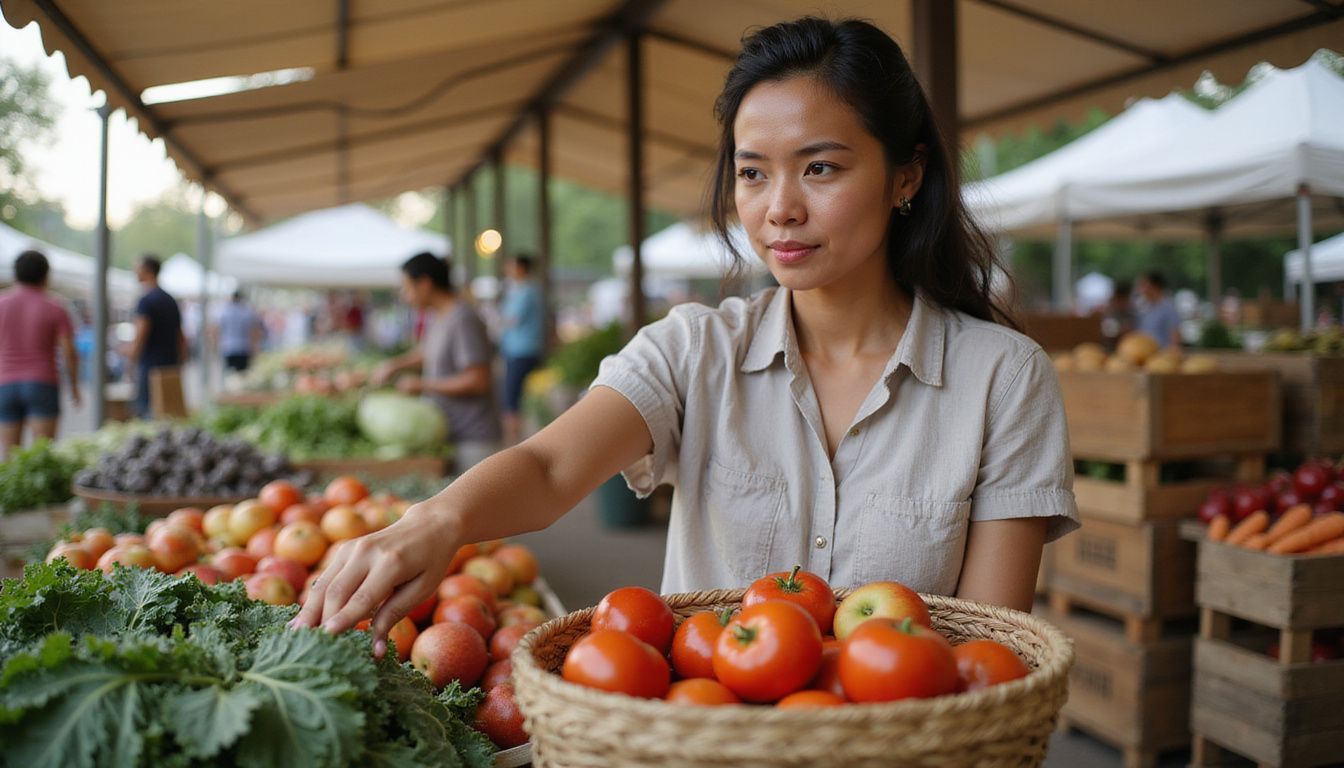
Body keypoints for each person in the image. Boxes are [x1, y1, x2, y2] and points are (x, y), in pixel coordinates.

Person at [296, 18, 1079, 657]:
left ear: (906, 177)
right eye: (752, 173)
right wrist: (435, 519)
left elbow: (987, 656)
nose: (780, 209)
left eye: (820, 169)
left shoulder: (1002, 379)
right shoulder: (693, 352)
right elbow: (547, 464)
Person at [372, 253, 500, 474]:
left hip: (472, 440)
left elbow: (478, 380)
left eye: (407, 288)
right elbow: (428, 353)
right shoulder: (438, 316)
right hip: (450, 434)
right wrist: (394, 365)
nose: (405, 296)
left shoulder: (462, 318)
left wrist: (422, 385)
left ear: (425, 284)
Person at [0, 251, 81, 459]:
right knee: (42, 456)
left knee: (10, 458)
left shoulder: (2, 304)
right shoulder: (55, 307)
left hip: (5, 384)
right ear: (46, 276)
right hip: (42, 383)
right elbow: (69, 352)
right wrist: (74, 387)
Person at [129, 255, 185, 419]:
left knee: (146, 410)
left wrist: (132, 358)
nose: (135, 272)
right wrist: (180, 359)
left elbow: (141, 334)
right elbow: (180, 334)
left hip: (150, 364)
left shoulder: (146, 301)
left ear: (148, 271)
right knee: (169, 411)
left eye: (137, 268)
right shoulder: (170, 300)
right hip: (170, 362)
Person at [498, 254, 545, 445]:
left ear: (521, 268)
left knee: (511, 399)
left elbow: (511, 319)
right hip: (522, 351)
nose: (508, 270)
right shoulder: (525, 291)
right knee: (520, 399)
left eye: (511, 266)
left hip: (521, 352)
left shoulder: (525, 292)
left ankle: (514, 446)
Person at [214, 291, 265, 372]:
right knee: (242, 374)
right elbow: (253, 331)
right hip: (244, 347)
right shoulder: (247, 312)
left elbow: (217, 330)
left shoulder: (224, 312)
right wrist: (255, 347)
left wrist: (217, 344)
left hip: (228, 347)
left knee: (229, 373)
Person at [1135, 271, 1181, 350]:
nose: (1140, 288)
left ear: (1154, 286)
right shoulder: (1144, 307)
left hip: (1161, 355)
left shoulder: (1168, 308)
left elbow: (1175, 337)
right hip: (1145, 354)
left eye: (1143, 284)